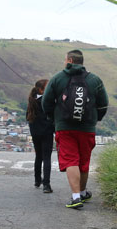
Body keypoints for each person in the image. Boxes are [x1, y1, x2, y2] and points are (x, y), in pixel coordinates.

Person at [42, 49, 109, 209]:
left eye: (65, 59)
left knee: (71, 160)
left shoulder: (57, 78)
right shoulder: (95, 80)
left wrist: (54, 118)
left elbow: (46, 102)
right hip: (87, 128)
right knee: (83, 161)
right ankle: (83, 191)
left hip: (64, 127)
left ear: (70, 60)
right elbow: (103, 103)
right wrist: (95, 119)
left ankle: (76, 196)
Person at [26, 79, 55, 193]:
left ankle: (37, 180)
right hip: (46, 132)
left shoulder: (32, 101)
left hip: (35, 133)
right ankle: (46, 185)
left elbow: (28, 117)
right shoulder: (47, 100)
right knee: (47, 158)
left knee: (38, 156)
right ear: (41, 90)